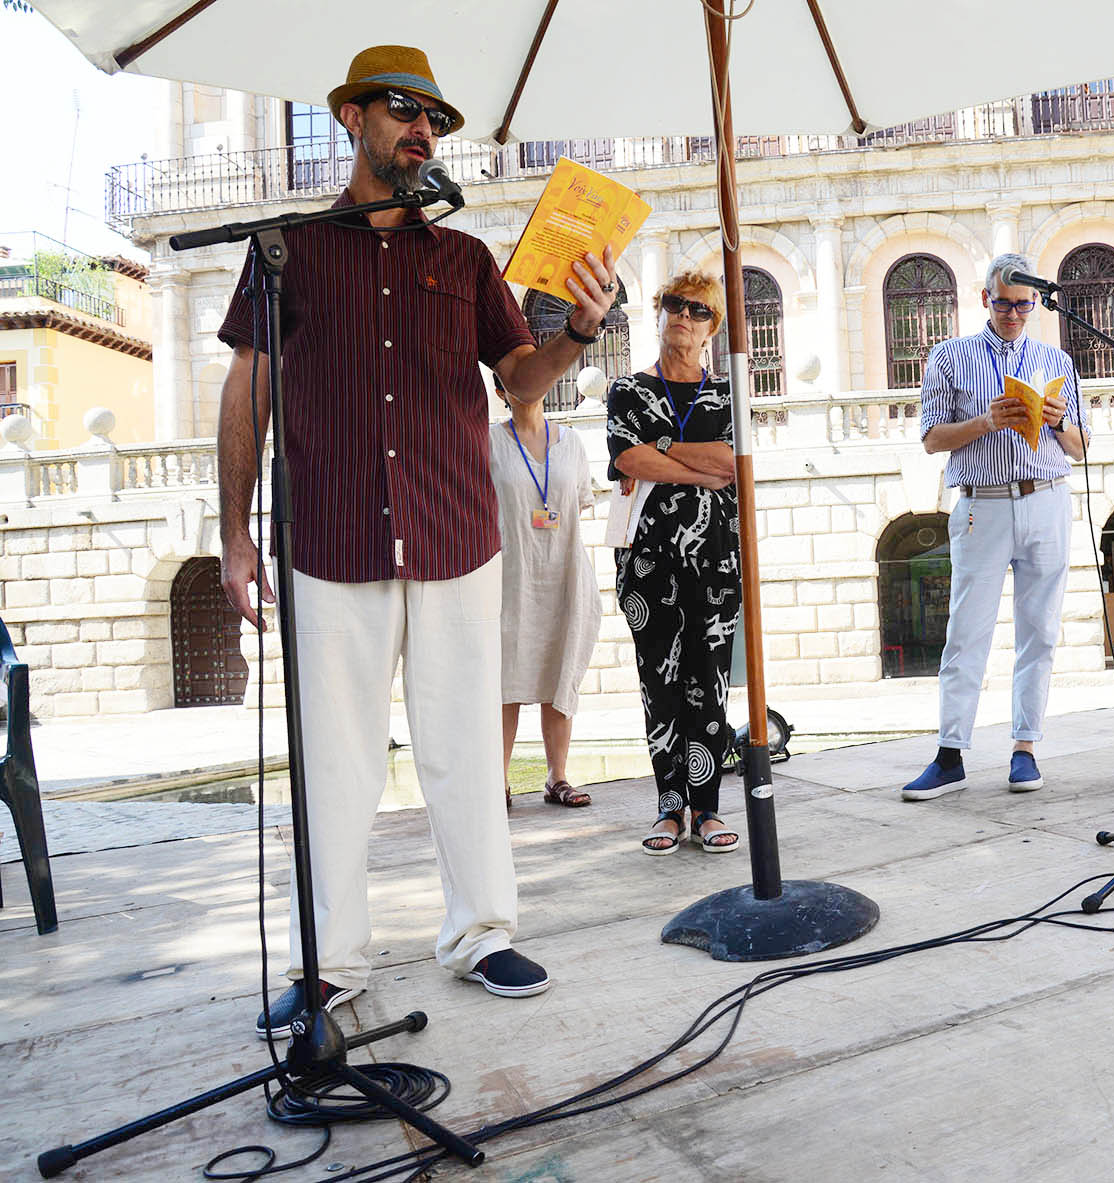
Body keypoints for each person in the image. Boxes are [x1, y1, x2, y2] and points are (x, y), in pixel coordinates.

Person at [215, 45, 620, 1037]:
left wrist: (579, 332)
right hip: (331, 538)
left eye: (435, 117)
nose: (424, 130)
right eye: (403, 109)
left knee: (465, 751)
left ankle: (482, 933)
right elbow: (246, 391)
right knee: (335, 764)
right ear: (352, 117)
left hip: (454, 537)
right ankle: (329, 964)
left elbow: (520, 381)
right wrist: (231, 533)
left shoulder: (467, 260)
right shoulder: (286, 252)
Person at [901, 252, 1089, 801]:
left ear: (1035, 304)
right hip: (982, 504)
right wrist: (986, 421)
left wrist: (1058, 422)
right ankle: (950, 755)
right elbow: (932, 438)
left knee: (1040, 629)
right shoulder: (949, 356)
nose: (1013, 314)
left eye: (1023, 306)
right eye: (1003, 304)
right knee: (967, 631)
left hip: (1046, 498)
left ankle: (1025, 748)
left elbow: (1080, 447)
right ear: (985, 299)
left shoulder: (1055, 360)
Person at [605, 271, 742, 855]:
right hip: (647, 562)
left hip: (716, 562)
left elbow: (733, 464)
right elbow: (627, 458)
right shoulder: (628, 391)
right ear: (659, 313)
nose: (684, 316)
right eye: (674, 305)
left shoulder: (729, 395)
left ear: (712, 327)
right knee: (658, 684)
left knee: (708, 683)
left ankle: (706, 808)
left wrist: (661, 449)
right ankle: (669, 807)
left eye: (698, 310)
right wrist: (697, 469)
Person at [491, 380, 602, 808]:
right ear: (501, 392)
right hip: (511, 576)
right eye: (515, 381)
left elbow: (579, 504)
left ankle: (558, 776)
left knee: (562, 668)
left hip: (564, 572)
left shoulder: (571, 443)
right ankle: (497, 781)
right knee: (506, 678)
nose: (527, 387)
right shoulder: (488, 443)